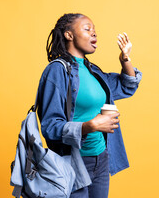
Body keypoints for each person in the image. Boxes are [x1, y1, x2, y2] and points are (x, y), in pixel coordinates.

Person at [37, 13, 142, 198]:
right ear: (69, 35)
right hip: (73, 162)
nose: (94, 34)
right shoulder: (57, 71)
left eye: (95, 31)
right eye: (87, 29)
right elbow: (49, 126)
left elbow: (127, 86)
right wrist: (91, 126)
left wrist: (125, 59)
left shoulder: (93, 71)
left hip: (101, 158)